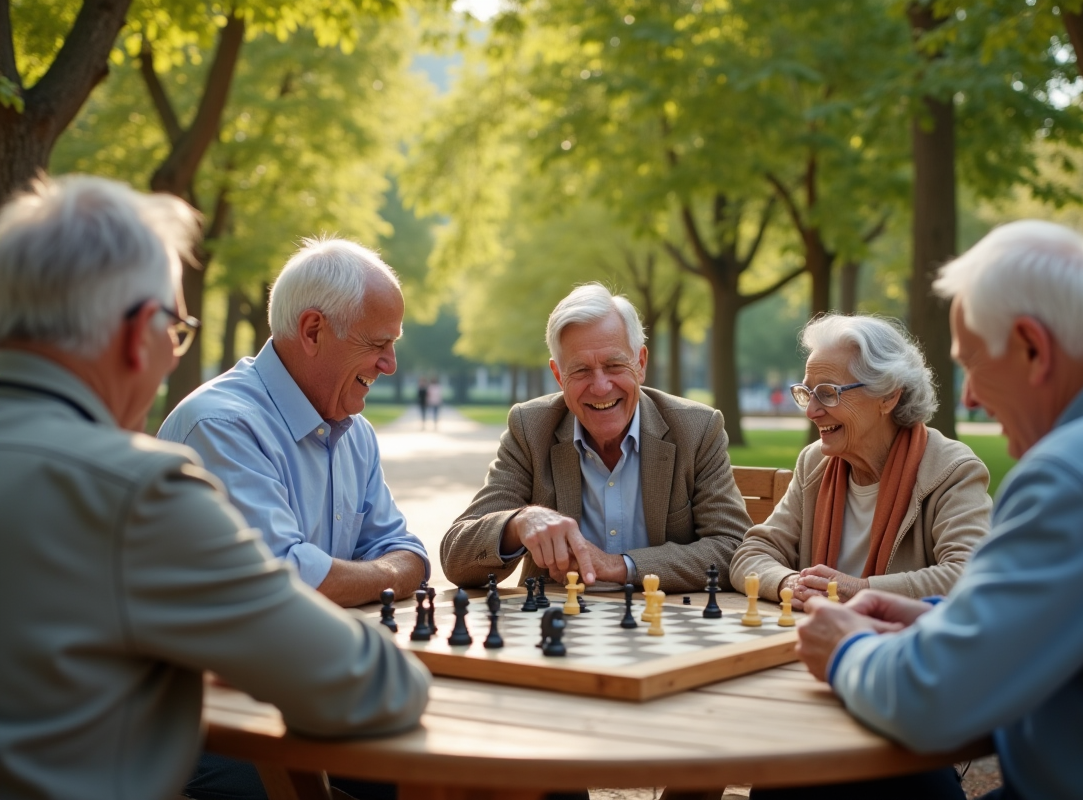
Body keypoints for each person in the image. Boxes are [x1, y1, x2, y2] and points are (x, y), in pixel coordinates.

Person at [0, 176, 429, 800]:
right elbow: (367, 685)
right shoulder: (135, 491)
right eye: (175, 331)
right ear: (136, 333)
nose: (175, 359)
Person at [789, 220, 1083, 800]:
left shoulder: (1076, 475)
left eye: (974, 364)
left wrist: (845, 648)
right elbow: (1082, 621)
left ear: (1033, 348)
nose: (969, 398)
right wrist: (936, 618)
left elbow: (929, 701)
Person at [159, 237, 429, 609]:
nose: (390, 364)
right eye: (378, 343)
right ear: (313, 331)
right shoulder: (221, 426)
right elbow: (283, 580)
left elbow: (406, 551)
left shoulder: (356, 435)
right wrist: (389, 575)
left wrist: (367, 574)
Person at [441, 283, 751, 593]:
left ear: (640, 363)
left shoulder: (696, 429)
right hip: (558, 629)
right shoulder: (531, 428)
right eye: (580, 370)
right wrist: (519, 522)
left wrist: (618, 565)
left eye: (614, 365)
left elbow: (732, 547)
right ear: (559, 376)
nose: (601, 387)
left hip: (662, 624)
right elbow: (456, 557)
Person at [730, 315, 991, 605]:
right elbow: (752, 553)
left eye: (828, 393)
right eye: (808, 393)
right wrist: (789, 583)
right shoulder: (815, 462)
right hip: (816, 639)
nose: (812, 411)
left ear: (888, 396)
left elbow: (969, 573)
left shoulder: (951, 469)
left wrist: (861, 590)